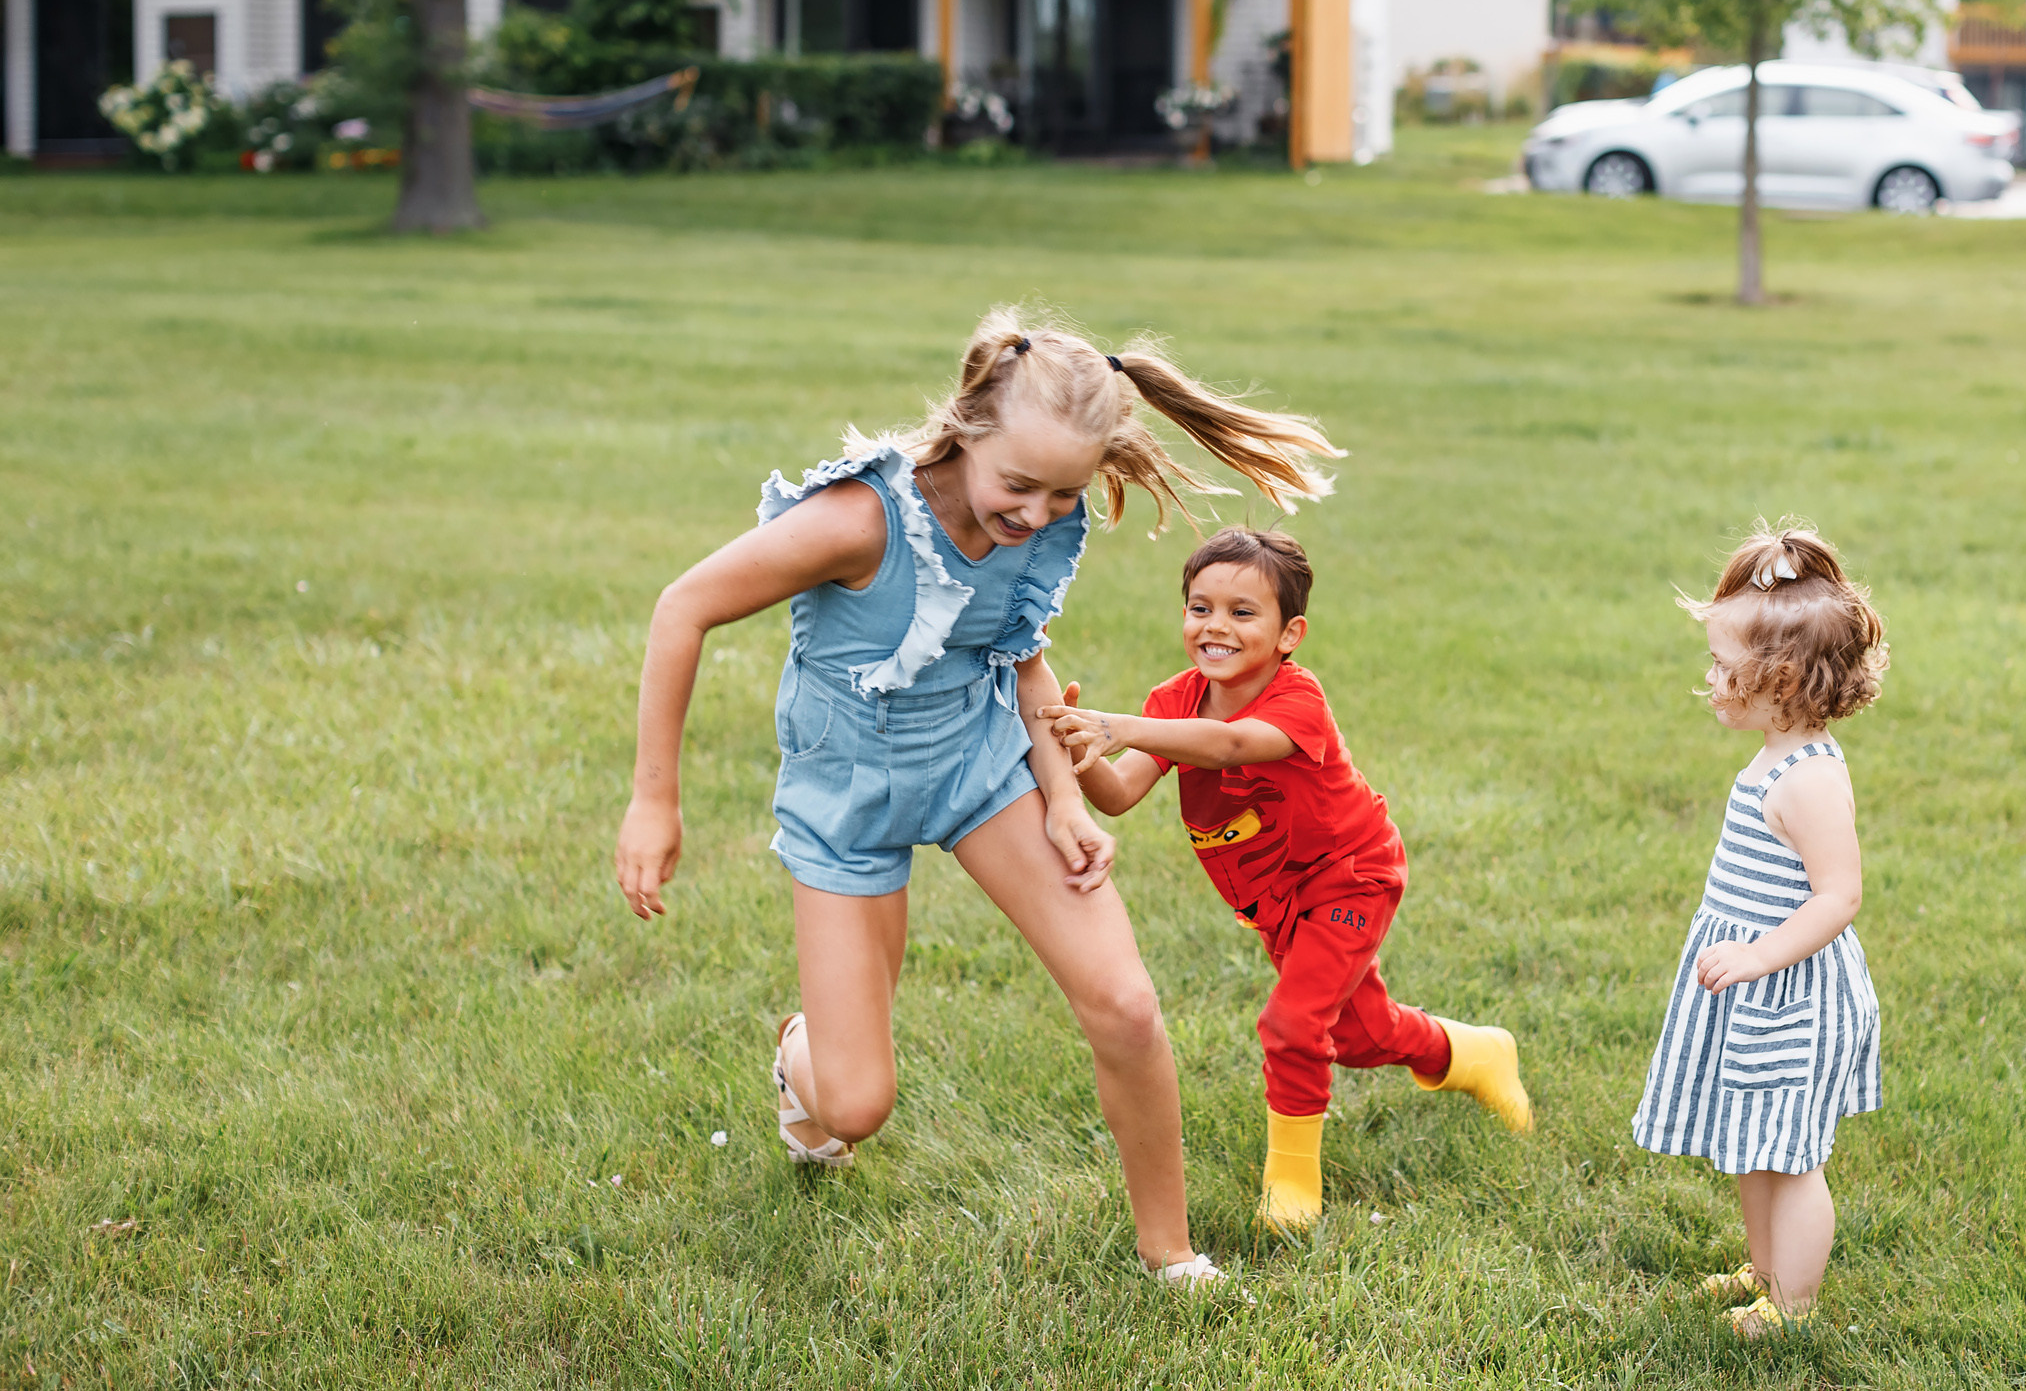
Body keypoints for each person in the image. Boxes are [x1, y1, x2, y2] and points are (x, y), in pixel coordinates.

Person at [612, 308, 1342, 1287]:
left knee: (1124, 1006)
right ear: (965, 428)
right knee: (855, 1105)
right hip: (848, 798)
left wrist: (1065, 802)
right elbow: (682, 607)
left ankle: (1167, 1252)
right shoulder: (858, 521)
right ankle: (802, 1054)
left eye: (1064, 493)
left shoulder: (1037, 522)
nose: (1038, 515)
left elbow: (1021, 661)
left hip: (979, 769)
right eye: (1020, 486)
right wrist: (654, 801)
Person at [1040, 526, 1532, 1231]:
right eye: (1199, 606)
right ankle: (1474, 1051)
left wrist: (1119, 724)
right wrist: (1084, 749)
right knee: (1359, 1035)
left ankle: (1293, 1183)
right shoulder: (1174, 701)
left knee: (1292, 1022)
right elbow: (1118, 794)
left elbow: (1236, 743)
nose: (1215, 625)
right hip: (1277, 903)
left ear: (1288, 633)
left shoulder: (1296, 698)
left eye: (1243, 612)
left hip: (1350, 877)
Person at [1630, 522, 1888, 1338]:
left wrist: (1758, 954)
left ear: (1780, 680)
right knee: (1751, 1140)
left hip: (1791, 995)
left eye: (1720, 666)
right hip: (1756, 985)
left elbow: (1839, 894)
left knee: (1791, 1154)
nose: (1709, 679)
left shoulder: (1806, 778)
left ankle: (1793, 1305)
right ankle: (1766, 1268)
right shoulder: (1778, 753)